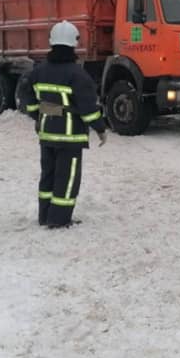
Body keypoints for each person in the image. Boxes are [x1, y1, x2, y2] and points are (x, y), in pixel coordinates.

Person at [20, 21, 107, 228]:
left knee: (48, 177)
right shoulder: (78, 75)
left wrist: (38, 116)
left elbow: (26, 96)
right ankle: (59, 220)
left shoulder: (38, 71)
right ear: (73, 44)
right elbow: (87, 108)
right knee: (66, 179)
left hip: (47, 134)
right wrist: (100, 128)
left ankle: (45, 216)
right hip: (70, 138)